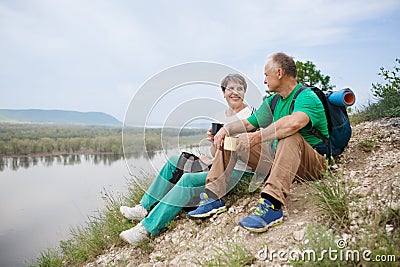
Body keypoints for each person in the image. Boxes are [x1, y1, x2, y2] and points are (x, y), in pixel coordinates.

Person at [188, 53, 328, 233]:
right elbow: (248, 123)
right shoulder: (274, 100)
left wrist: (257, 137)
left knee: (290, 135)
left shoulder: (306, 97)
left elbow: (294, 123)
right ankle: (213, 197)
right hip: (279, 160)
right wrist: (226, 130)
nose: (263, 81)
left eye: (266, 75)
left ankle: (272, 205)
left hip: (312, 164)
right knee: (231, 141)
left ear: (279, 73)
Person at [119, 74, 256, 245]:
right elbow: (216, 153)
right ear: (223, 92)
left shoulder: (253, 115)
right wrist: (213, 141)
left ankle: (145, 229)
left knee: (188, 180)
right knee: (175, 161)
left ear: (244, 92)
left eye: (239, 89)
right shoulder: (221, 117)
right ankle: (143, 207)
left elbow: (255, 151)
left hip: (242, 172)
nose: (235, 93)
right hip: (219, 165)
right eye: (230, 89)